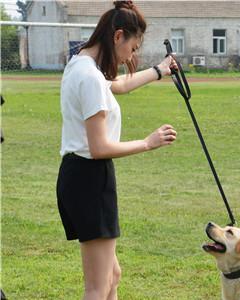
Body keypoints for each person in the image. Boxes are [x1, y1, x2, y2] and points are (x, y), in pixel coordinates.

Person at [56, 1, 177, 299]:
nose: (131, 56)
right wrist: (148, 143)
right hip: (90, 178)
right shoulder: (90, 78)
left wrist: (159, 71)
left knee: (112, 274)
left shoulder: (81, 64)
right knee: (98, 287)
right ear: (118, 36)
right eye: (133, 47)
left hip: (78, 176)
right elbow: (99, 147)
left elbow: (118, 85)